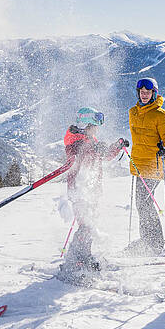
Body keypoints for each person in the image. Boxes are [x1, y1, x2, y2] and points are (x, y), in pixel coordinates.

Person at [61, 107, 128, 275]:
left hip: (91, 190)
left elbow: (104, 155)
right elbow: (77, 156)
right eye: (94, 126)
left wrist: (117, 145)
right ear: (86, 125)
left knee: (91, 224)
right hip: (80, 190)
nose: (97, 130)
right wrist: (94, 148)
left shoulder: (89, 139)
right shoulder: (76, 141)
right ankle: (76, 261)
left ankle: (83, 257)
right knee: (86, 226)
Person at [125, 77, 165, 256]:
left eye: (148, 93)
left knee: (145, 203)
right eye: (142, 92)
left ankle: (154, 243)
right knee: (142, 204)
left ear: (154, 93)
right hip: (138, 165)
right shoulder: (133, 112)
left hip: (153, 165)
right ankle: (147, 240)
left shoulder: (161, 115)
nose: (144, 95)